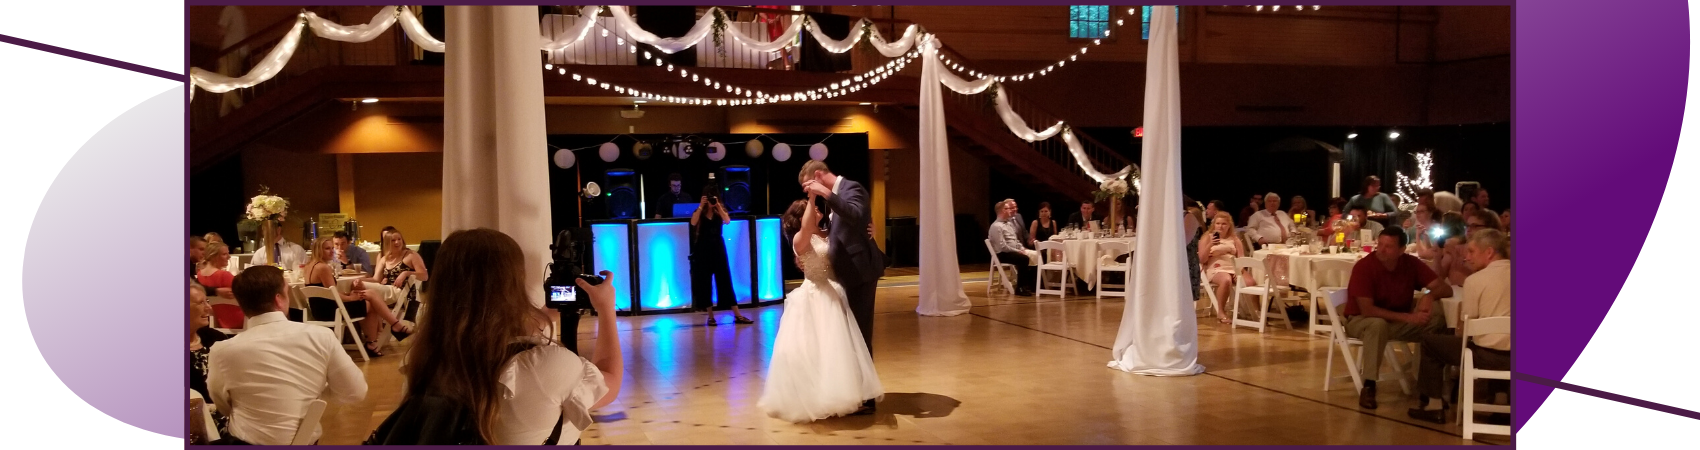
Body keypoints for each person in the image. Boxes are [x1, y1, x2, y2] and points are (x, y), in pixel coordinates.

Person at [207, 266, 367, 445]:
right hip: (305, 441)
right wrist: (313, 388)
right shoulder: (321, 336)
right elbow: (355, 392)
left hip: (245, 441)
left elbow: (222, 404)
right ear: (279, 300)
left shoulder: (221, 351)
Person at [759, 197, 885, 423]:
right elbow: (808, 227)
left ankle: (837, 393)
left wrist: (870, 230)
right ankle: (814, 397)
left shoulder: (828, 233)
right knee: (813, 349)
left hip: (835, 293)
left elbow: (850, 237)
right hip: (814, 294)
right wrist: (812, 197)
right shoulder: (800, 238)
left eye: (816, 207)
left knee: (836, 351)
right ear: (801, 216)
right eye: (811, 208)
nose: (816, 210)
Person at [799, 160, 885, 414]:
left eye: (808, 185)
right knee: (850, 334)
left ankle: (867, 397)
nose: (808, 191)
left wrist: (825, 192)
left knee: (860, 332)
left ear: (817, 175)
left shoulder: (850, 188)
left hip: (860, 273)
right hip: (846, 274)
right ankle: (856, 389)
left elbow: (857, 214)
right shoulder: (836, 197)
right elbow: (852, 226)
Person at [1341, 227, 1452, 409]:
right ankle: (1369, 385)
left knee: (1436, 321)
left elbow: (1445, 288)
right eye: (1380, 245)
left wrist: (1429, 295)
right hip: (1361, 320)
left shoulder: (1410, 264)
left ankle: (1427, 387)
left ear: (1402, 250)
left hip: (1394, 322)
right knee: (1377, 325)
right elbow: (1367, 310)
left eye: (1388, 247)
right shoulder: (1364, 267)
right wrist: (1409, 318)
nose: (1382, 250)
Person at [1408, 229, 1511, 424]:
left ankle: (1434, 405)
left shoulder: (1475, 281)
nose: (1466, 257)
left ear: (1488, 252)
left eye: (1471, 251)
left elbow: (1466, 330)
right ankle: (1501, 403)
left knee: (1430, 342)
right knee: (1502, 338)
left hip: (1487, 356)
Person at [303, 236, 406, 356]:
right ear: (318, 250)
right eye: (327, 248)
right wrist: (352, 298)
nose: (332, 251)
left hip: (319, 309)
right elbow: (333, 294)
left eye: (332, 248)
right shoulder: (323, 268)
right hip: (331, 311)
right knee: (371, 302)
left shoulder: (309, 266)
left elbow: (327, 292)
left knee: (370, 295)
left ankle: (389, 330)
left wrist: (349, 295)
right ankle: (377, 339)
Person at [691, 184, 752, 325]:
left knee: (725, 279)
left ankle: (737, 315)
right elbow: (693, 222)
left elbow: (727, 220)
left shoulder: (719, 210)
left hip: (718, 247)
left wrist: (717, 206)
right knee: (706, 282)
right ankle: (711, 316)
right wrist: (701, 206)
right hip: (703, 249)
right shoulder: (699, 211)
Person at [362, 226, 427, 342]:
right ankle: (371, 339)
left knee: (362, 289)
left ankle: (375, 335)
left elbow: (424, 275)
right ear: (387, 243)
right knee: (361, 291)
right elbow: (376, 279)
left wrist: (406, 273)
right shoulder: (384, 258)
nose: (397, 242)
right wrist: (362, 279)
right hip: (387, 290)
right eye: (393, 240)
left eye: (399, 239)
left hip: (401, 292)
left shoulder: (410, 255)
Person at [189, 282, 231, 434]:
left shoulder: (215, 338)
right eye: (201, 303)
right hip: (198, 421)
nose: (209, 308)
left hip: (232, 411)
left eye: (207, 301)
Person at [1199, 212, 1250, 324]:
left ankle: (1255, 312)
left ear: (1229, 225)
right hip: (1216, 268)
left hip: (1234, 267)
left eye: (1223, 224)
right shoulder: (1208, 237)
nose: (1220, 226)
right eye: (1218, 223)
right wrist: (1210, 245)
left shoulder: (1234, 239)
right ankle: (1221, 312)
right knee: (1226, 280)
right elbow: (1202, 259)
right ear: (1214, 224)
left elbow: (1241, 257)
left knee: (1250, 282)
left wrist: (1239, 271)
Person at [988, 200, 1037, 296]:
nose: (1010, 210)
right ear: (1002, 210)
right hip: (1003, 254)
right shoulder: (996, 226)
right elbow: (1003, 247)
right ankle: (1020, 287)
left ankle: (1033, 284)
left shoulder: (1009, 224)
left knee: (1037, 254)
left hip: (1013, 251)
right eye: (1007, 208)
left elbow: (1015, 240)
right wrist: (1018, 251)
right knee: (1023, 259)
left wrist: (1022, 248)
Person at [198, 242, 243, 329]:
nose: (229, 257)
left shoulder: (199, 275)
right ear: (214, 256)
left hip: (216, 320)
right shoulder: (224, 275)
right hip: (238, 320)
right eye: (224, 254)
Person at [1434, 212, 1472, 286]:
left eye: (1441, 222)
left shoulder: (1450, 243)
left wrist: (1437, 254)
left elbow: (1439, 276)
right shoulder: (1464, 241)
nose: (1439, 225)